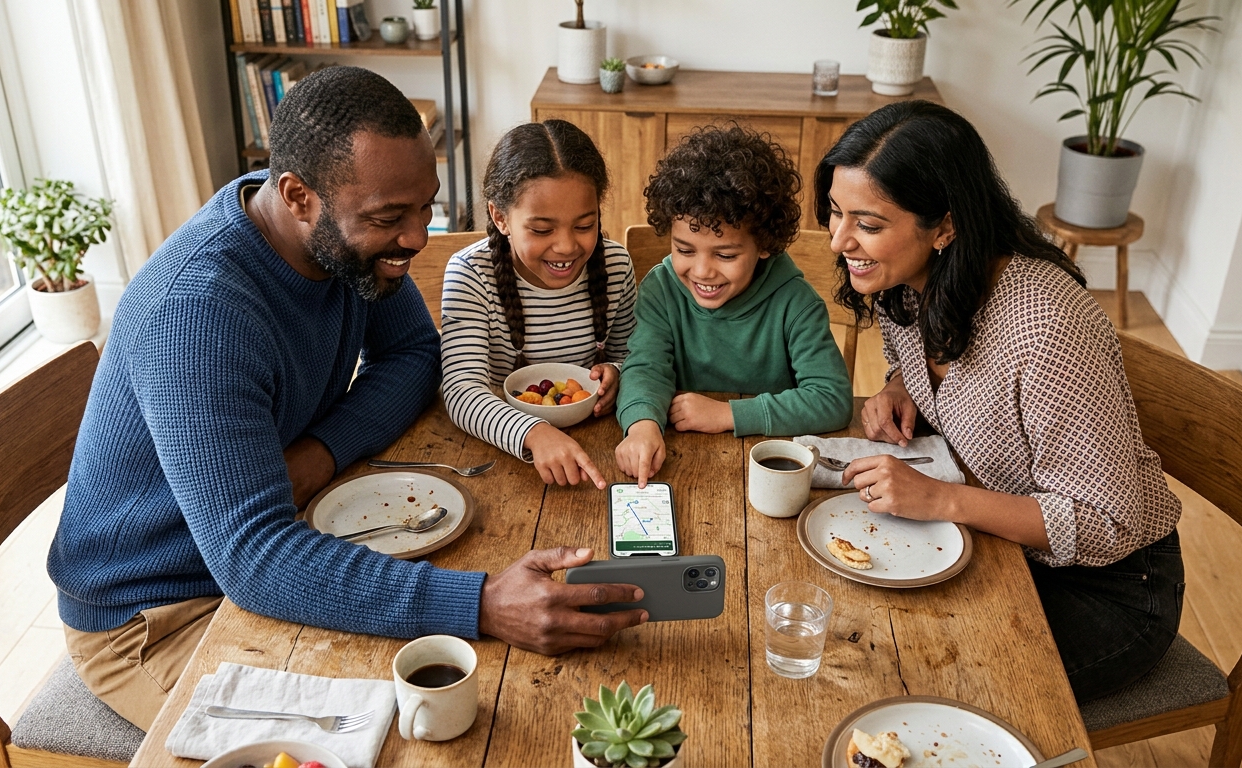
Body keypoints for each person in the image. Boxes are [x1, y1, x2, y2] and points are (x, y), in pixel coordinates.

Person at [47, 67, 645, 731]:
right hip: (160, 613)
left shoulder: (339, 242)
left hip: (287, 535)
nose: (417, 238)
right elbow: (253, 558)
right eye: (390, 218)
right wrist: (481, 604)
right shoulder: (197, 313)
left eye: (425, 207)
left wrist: (320, 454)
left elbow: (416, 355)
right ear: (297, 196)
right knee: (381, 735)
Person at [816, 100, 1183, 702]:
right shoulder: (908, 282)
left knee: (905, 681)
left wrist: (940, 499)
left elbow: (1107, 522)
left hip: (1108, 588)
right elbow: (942, 366)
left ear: (945, 226)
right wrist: (900, 384)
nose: (838, 241)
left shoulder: (1045, 323)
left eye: (869, 224)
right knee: (852, 631)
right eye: (835, 212)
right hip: (1001, 546)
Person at [615, 125, 853, 486]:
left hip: (770, 468)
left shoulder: (796, 303)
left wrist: (729, 414)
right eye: (684, 249)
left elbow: (831, 400)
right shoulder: (661, 290)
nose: (702, 271)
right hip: (684, 462)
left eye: (725, 255)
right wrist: (642, 425)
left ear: (765, 245)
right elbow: (646, 367)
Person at [440, 120, 636, 488]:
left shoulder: (615, 265)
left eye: (585, 225)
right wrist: (534, 433)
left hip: (602, 444)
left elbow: (633, 356)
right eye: (542, 230)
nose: (566, 246)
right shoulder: (471, 274)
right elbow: (461, 390)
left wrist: (617, 373)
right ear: (500, 218)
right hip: (502, 453)